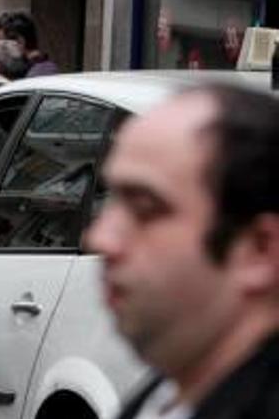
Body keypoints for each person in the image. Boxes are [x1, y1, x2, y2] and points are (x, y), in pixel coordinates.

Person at [86, 84, 279, 419]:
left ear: (259, 249)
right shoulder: (168, 392)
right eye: (111, 201)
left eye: (146, 210)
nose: (101, 239)